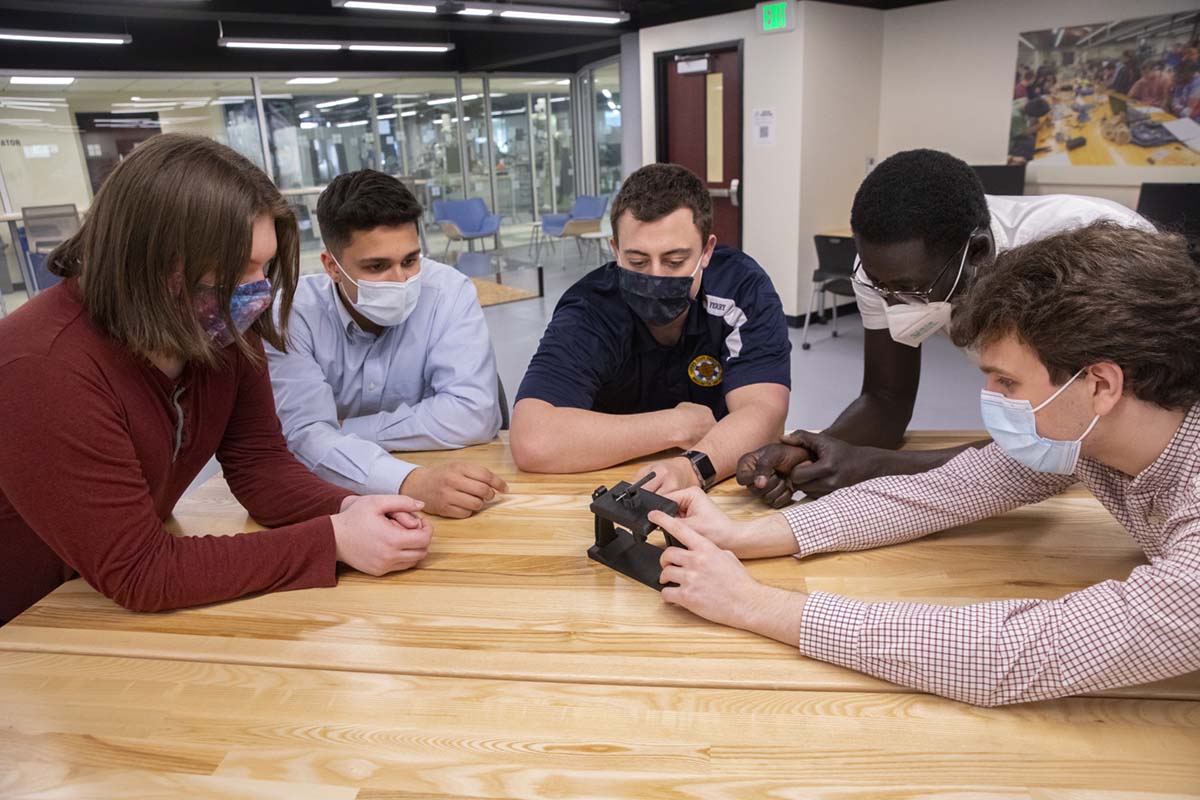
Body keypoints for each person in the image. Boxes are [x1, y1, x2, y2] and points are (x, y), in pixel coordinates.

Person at [655, 222, 1200, 707]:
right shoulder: (1091, 434)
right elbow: (944, 490)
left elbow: (1019, 652)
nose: (991, 399)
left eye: (1008, 382)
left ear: (1101, 385)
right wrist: (742, 536)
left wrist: (753, 604)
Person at [0, 135, 433, 625]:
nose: (256, 290)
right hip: (30, 619)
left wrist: (355, 508)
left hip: (97, 601)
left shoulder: (215, 326)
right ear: (152, 260)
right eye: (236, 269)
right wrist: (332, 538)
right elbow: (141, 571)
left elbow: (260, 466)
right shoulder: (40, 366)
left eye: (264, 266)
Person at [738, 149, 1154, 506]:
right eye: (879, 285)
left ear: (978, 253)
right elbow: (886, 400)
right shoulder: (885, 269)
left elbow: (1071, 447)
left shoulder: (1081, 260)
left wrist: (878, 466)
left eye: (907, 289)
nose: (890, 300)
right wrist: (814, 451)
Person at [511, 163, 790, 494]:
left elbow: (765, 414)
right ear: (615, 251)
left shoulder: (742, 290)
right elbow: (533, 439)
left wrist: (692, 468)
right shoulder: (590, 308)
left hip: (717, 476)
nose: (656, 276)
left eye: (674, 261)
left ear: (707, 251)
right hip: (610, 482)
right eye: (638, 262)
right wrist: (675, 425)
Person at [265, 171, 504, 519]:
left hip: (450, 485)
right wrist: (410, 483)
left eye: (410, 260)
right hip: (344, 503)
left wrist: (347, 431)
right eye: (377, 266)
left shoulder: (449, 292)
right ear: (332, 266)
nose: (401, 281)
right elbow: (302, 439)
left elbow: (475, 414)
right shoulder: (291, 314)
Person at [1006, 96, 1050, 164]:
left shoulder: (1024, 100)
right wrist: (1041, 124)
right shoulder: (1016, 116)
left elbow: (1040, 103)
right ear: (1032, 114)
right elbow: (1024, 133)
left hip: (1018, 129)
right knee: (1038, 147)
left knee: (1039, 141)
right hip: (1011, 143)